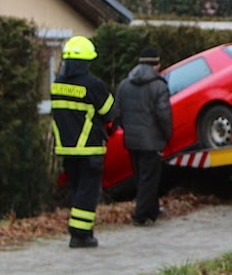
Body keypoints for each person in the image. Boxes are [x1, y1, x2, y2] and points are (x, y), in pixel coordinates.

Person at [50, 35, 120, 248]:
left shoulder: (57, 85)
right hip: (90, 148)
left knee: (78, 190)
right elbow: (110, 112)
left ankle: (82, 231)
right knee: (88, 192)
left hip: (67, 149)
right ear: (86, 61)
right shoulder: (93, 85)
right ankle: (80, 234)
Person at [115, 45, 172, 226]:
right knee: (150, 179)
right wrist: (167, 135)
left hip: (132, 140)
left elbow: (118, 113)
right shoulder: (159, 86)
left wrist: (128, 129)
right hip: (152, 140)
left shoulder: (124, 85)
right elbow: (164, 115)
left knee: (141, 177)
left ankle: (151, 210)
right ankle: (141, 215)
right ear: (156, 65)